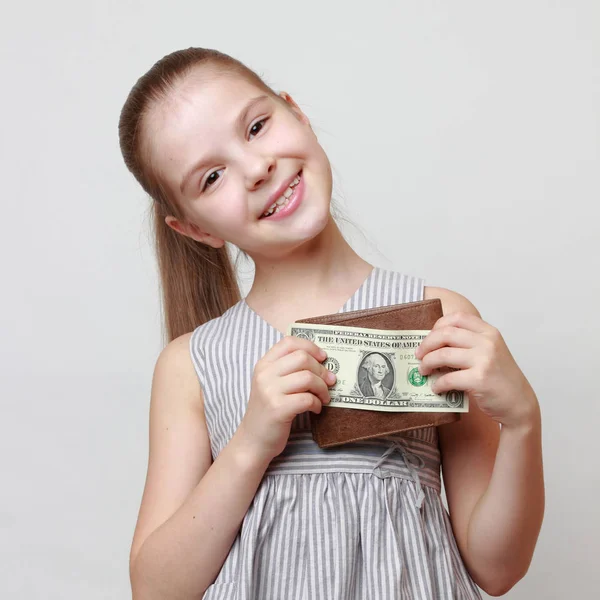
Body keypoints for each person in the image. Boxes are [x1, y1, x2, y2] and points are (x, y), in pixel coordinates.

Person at [118, 48, 545, 599]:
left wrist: (523, 422)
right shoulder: (191, 365)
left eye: (256, 126)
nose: (256, 169)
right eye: (212, 176)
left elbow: (498, 567)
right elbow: (155, 590)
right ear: (196, 229)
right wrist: (250, 445)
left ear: (297, 113)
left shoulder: (440, 318)